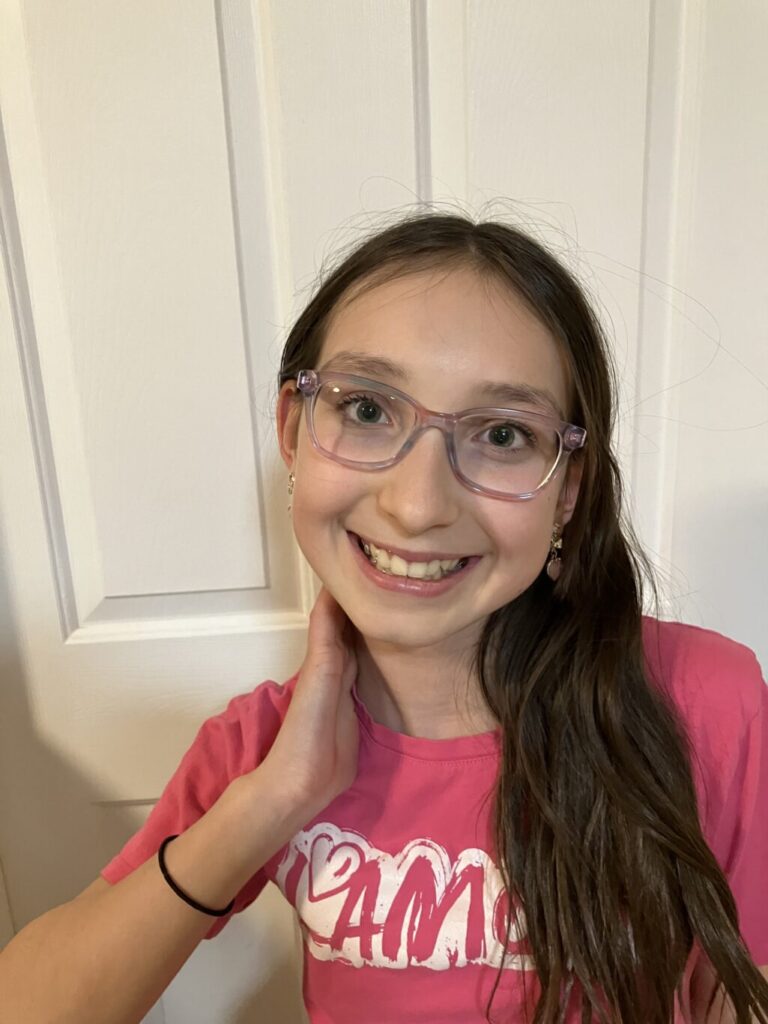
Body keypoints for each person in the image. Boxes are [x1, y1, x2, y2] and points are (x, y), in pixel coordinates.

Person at [1, 211, 767, 1024]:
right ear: (294, 430)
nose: (417, 504)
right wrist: (271, 804)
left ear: (567, 489)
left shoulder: (700, 700)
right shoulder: (259, 751)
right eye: (367, 409)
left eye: (502, 433)